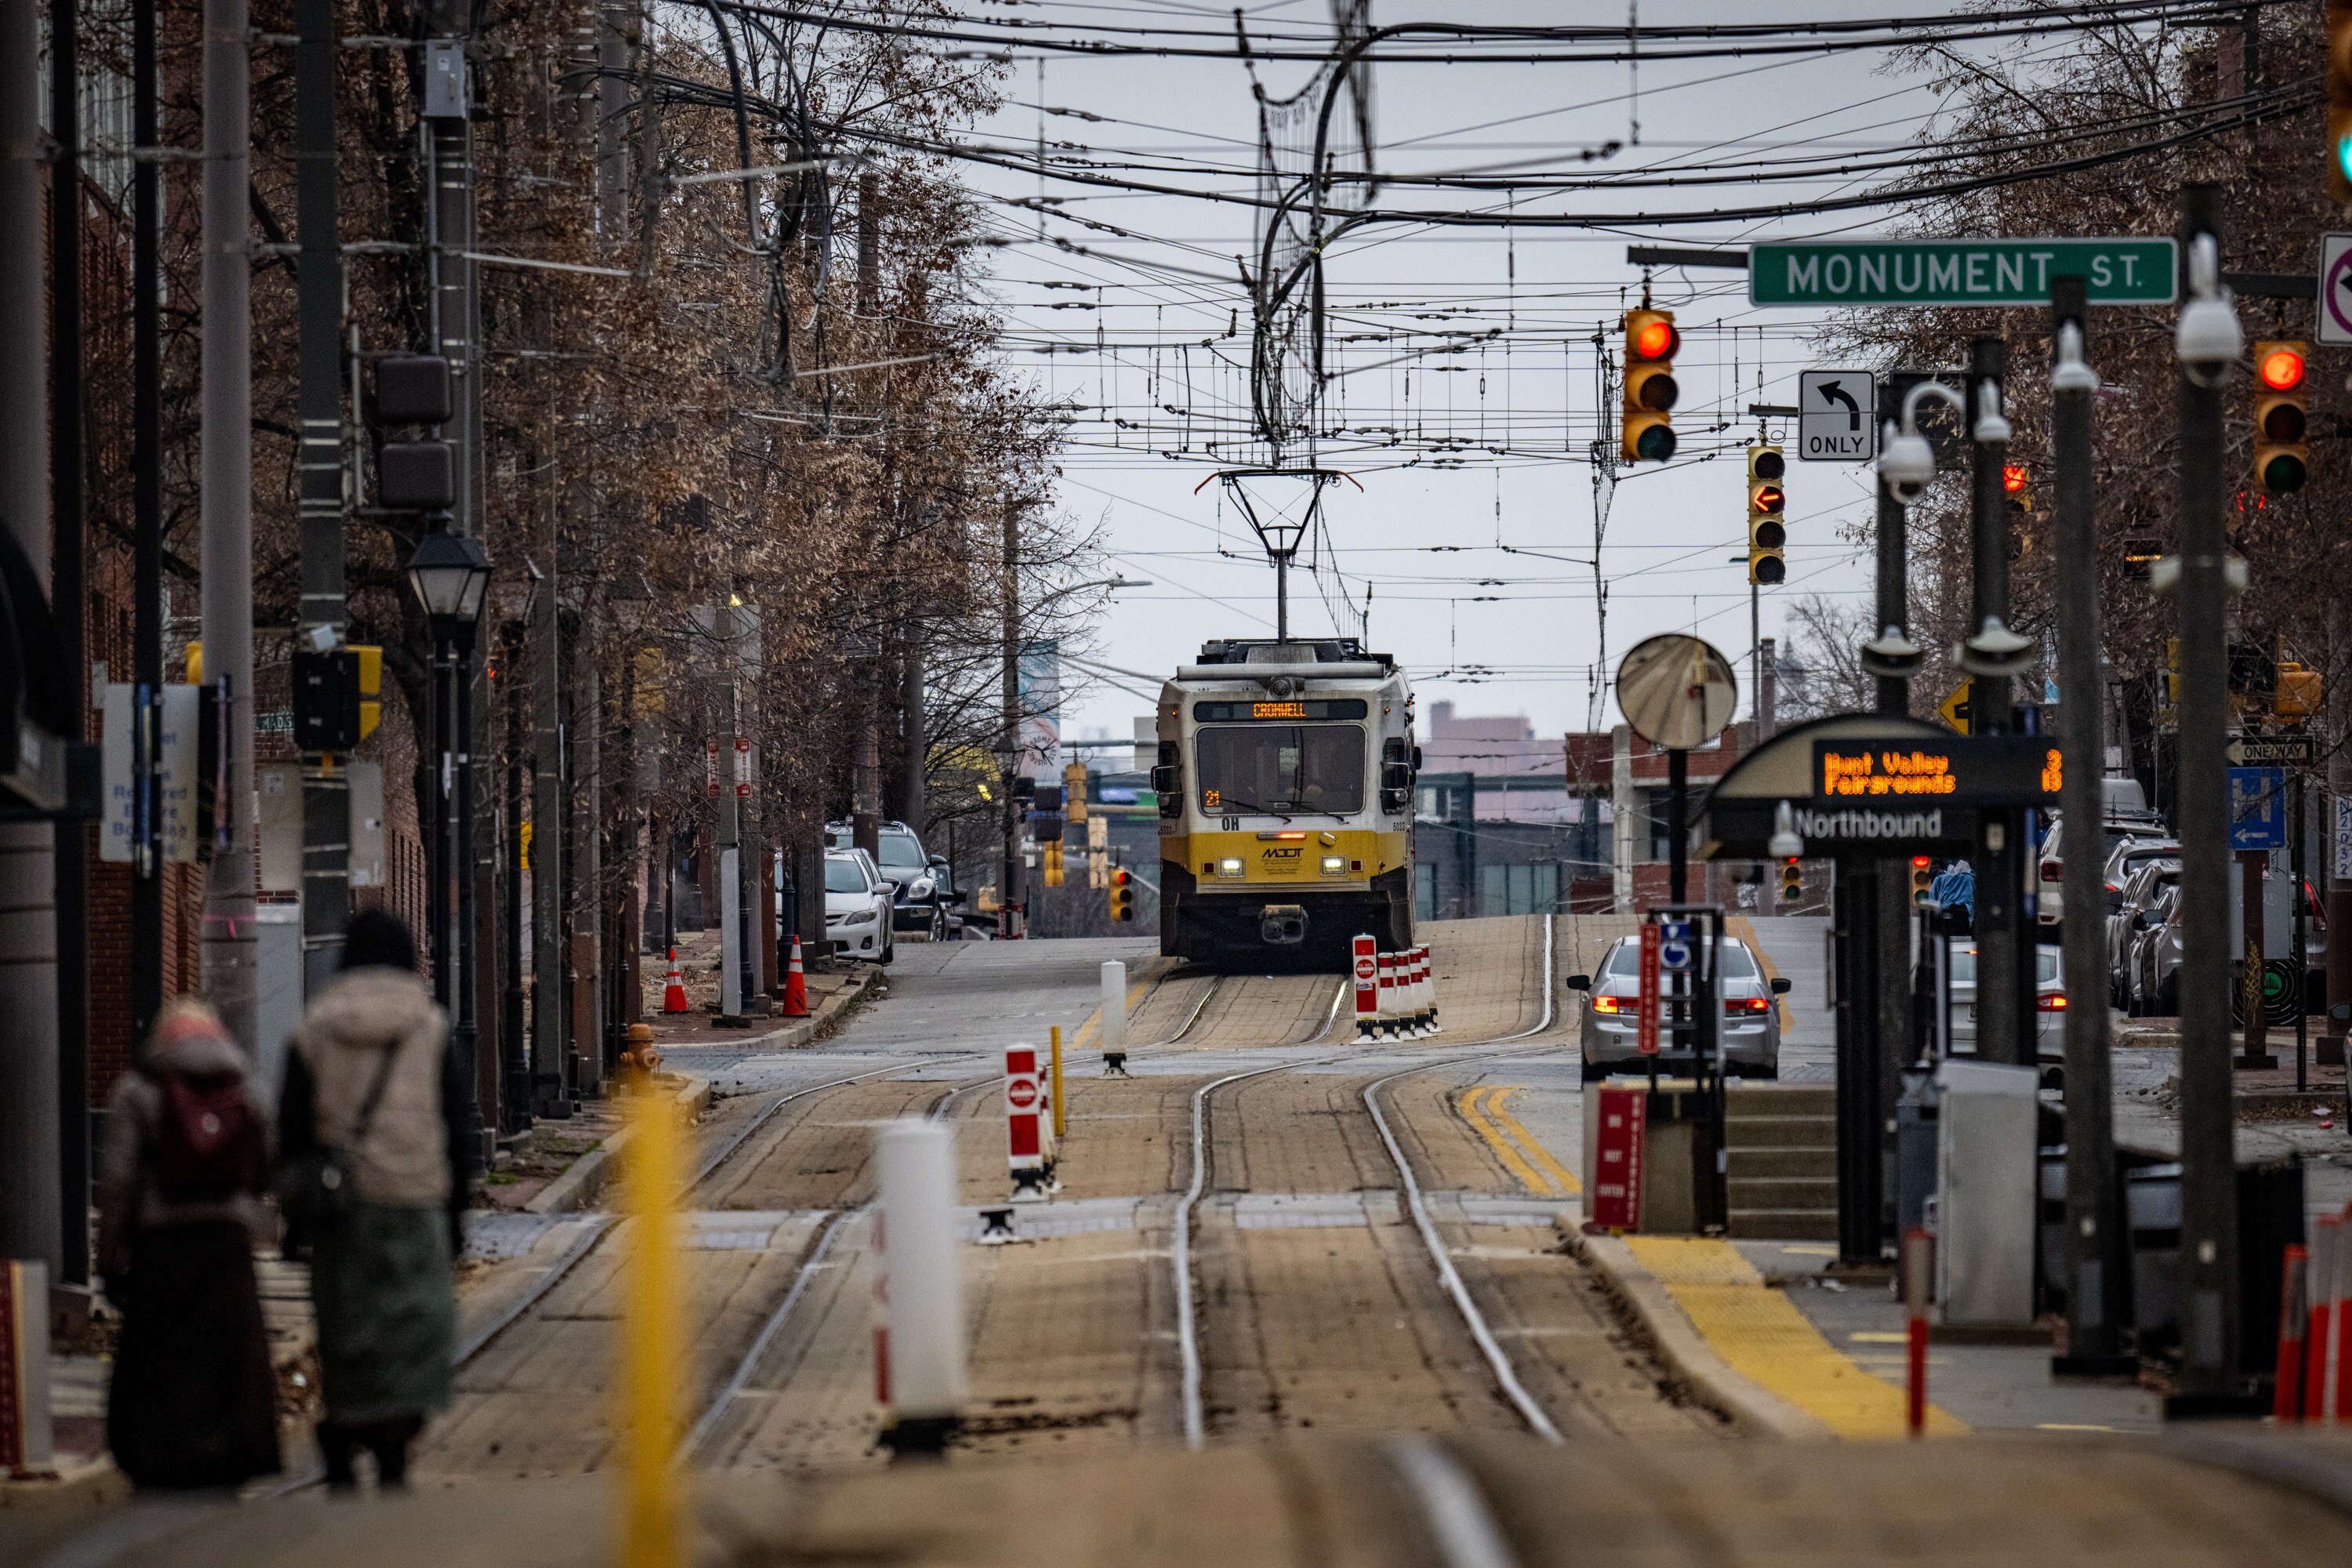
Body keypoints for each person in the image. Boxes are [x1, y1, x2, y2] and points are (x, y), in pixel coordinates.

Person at [279, 909, 469, 1491]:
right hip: (416, 1199)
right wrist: (456, 1215)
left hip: (344, 1208)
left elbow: (292, 1133)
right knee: (415, 1326)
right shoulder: (430, 1027)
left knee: (346, 1324)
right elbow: (457, 1130)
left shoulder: (312, 1030)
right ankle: (394, 1443)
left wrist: (296, 1216)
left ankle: (344, 1429)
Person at [98, 997, 282, 1490]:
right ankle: (229, 1450)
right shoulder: (244, 1086)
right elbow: (267, 1161)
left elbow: (117, 1181)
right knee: (227, 1355)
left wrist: (112, 1259)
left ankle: (162, 1454)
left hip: (161, 1244)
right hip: (226, 1240)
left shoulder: (139, 1088)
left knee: (163, 1356)